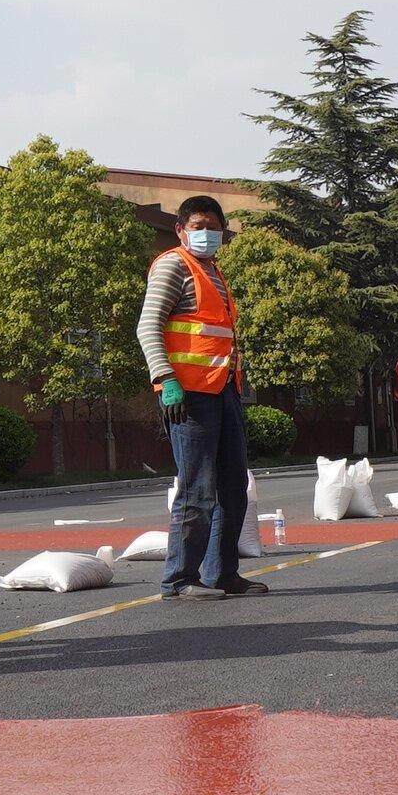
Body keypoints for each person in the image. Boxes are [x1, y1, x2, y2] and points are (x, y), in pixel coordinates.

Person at [139, 195, 268, 601]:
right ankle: (179, 580)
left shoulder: (213, 272)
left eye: (214, 226)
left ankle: (221, 574)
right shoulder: (174, 265)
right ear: (181, 229)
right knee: (197, 490)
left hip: (222, 389)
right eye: (198, 225)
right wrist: (165, 378)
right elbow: (148, 326)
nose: (207, 233)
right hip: (188, 395)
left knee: (233, 487)